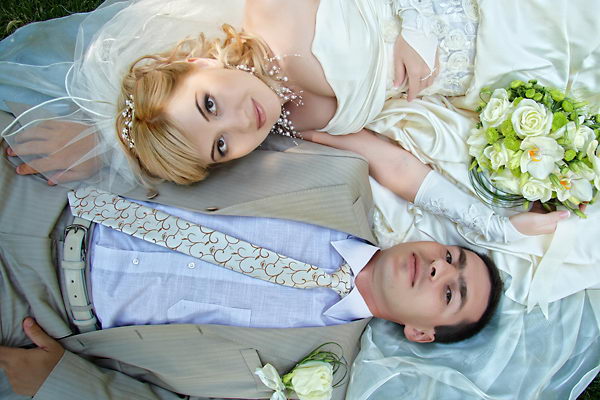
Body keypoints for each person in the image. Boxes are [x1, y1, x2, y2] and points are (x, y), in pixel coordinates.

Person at [0, 104, 502, 399]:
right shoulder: (337, 176)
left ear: (419, 332)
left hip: (36, 314)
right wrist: (107, 140)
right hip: (51, 193)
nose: (438, 269)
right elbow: (217, 123)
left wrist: (61, 384)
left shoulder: (317, 381)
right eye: (451, 257)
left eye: (450, 293)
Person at [1, 0, 569, 248]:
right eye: (221, 146)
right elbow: (391, 163)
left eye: (208, 104)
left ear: (196, 62)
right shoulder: (293, 124)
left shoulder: (272, 12)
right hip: (493, 78)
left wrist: (402, 24)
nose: (239, 124)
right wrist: (496, 226)